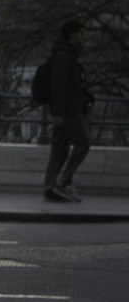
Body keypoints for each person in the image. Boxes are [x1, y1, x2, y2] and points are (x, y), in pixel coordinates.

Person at [43, 19, 92, 202]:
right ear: (72, 34)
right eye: (81, 33)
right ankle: (63, 181)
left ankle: (51, 187)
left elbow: (72, 86)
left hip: (68, 109)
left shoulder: (67, 54)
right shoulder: (64, 56)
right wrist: (58, 112)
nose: (83, 37)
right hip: (68, 111)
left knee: (59, 149)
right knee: (83, 143)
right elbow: (59, 84)